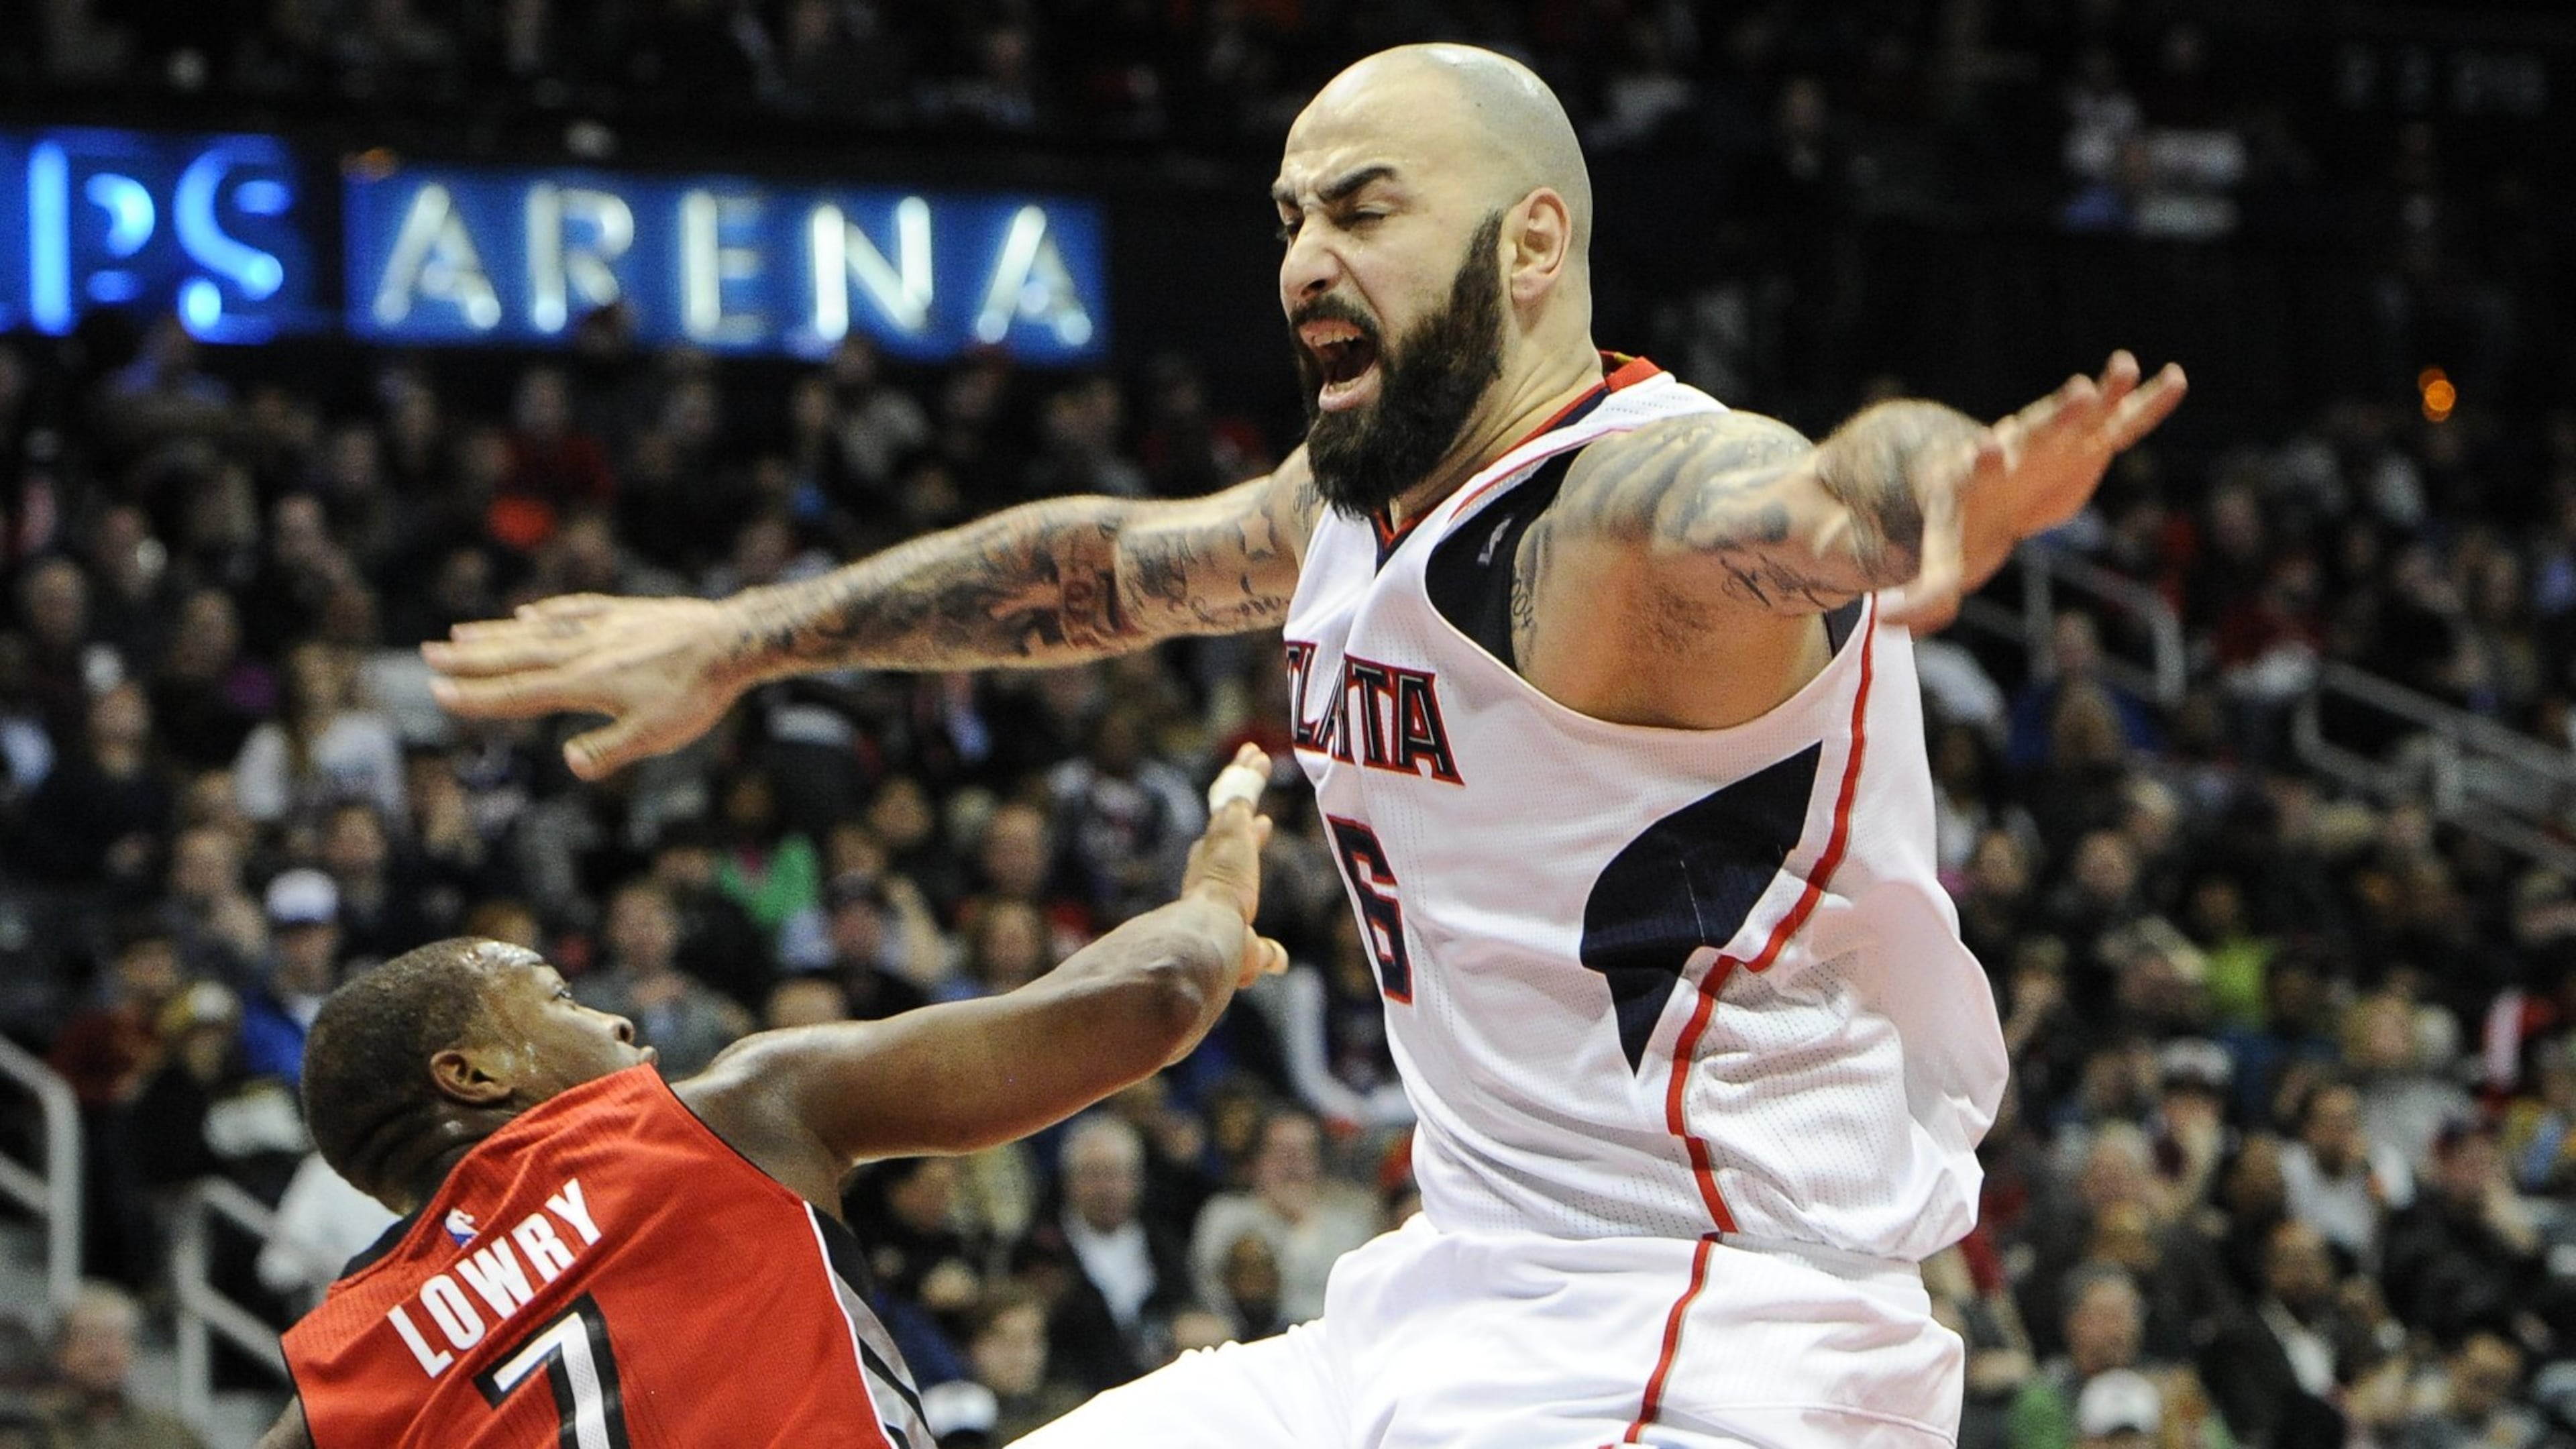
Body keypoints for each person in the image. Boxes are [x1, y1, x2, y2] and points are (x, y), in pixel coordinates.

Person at [421, 42, 2188, 1447]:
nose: (1303, 259)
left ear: (1533, 245)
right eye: (1287, 217)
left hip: (1705, 1340)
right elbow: (1101, 569)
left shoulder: (1624, 511)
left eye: (1362, 207)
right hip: (1446, 1299)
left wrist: (1938, 485)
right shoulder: (1355, 506)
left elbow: (1813, 493)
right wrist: (739, 638)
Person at [252, 752, 1283, 1449]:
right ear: (472, 1074)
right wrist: (1213, 897)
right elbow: (1155, 996)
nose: (613, 1022)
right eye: (559, 999)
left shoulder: (342, 1373)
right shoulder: (723, 1118)